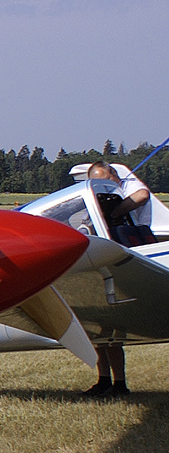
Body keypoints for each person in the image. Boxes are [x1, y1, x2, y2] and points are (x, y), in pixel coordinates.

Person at [83, 162, 155, 397]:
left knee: (112, 330)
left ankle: (120, 383)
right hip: (105, 261)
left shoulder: (129, 186)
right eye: (95, 183)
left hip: (131, 256)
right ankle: (104, 380)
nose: (102, 188)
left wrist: (113, 213)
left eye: (105, 180)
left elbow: (143, 195)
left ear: (115, 176)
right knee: (98, 329)